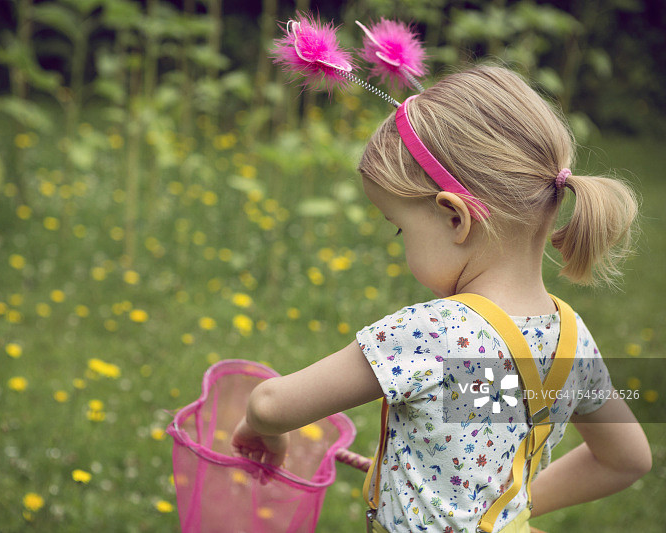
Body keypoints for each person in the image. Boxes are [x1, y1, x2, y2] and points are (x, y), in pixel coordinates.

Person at [231, 65, 651, 533]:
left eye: (399, 226)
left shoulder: (432, 335)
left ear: (454, 218)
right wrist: (504, 515)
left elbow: (271, 404)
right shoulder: (572, 345)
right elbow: (626, 460)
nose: (400, 240)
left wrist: (260, 430)